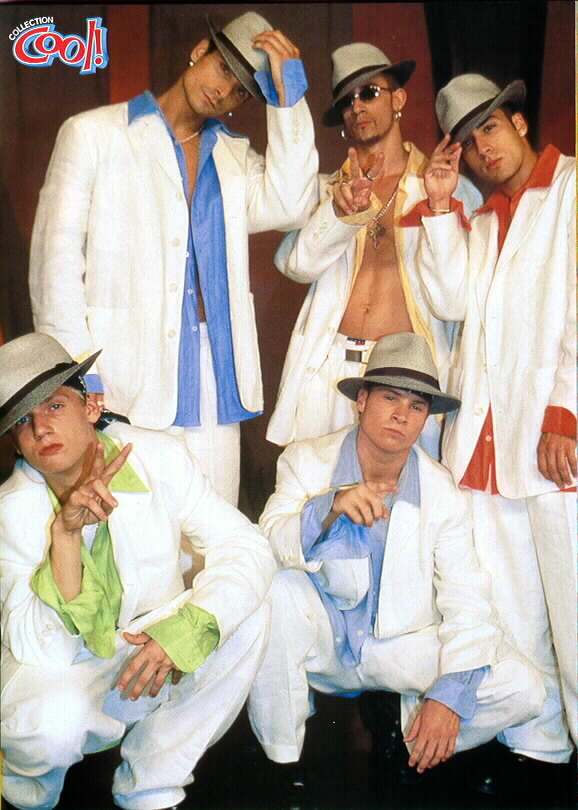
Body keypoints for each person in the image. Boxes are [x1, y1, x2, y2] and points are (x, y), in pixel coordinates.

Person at [29, 11, 318, 510]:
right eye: (223, 68)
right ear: (199, 51)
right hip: (123, 376)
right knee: (134, 533)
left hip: (215, 375)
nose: (224, 91)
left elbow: (293, 203)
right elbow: (54, 268)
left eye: (241, 90)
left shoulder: (233, 156)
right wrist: (77, 375)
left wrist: (289, 99)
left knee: (214, 531)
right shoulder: (93, 134)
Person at [248, 333, 544, 783]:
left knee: (524, 688)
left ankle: (401, 737)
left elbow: (467, 597)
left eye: (417, 406)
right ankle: (283, 764)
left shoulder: (442, 492)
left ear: (425, 418)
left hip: (398, 645)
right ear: (361, 400)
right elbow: (267, 543)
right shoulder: (305, 461)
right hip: (323, 640)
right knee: (276, 588)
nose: (402, 415)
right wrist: (329, 508)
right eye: (390, 397)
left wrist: (448, 697)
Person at [0, 332, 277, 810]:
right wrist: (65, 537)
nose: (41, 428)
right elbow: (39, 650)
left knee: (247, 611)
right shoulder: (10, 510)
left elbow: (245, 544)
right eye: (23, 421)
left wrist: (185, 630)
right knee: (50, 728)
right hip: (60, 670)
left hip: (146, 643)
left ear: (91, 407)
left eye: (55, 406)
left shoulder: (159, 456)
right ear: (18, 447)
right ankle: (29, 793)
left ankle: (152, 785)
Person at [400, 74, 576, 758]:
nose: (484, 150)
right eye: (470, 144)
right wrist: (442, 206)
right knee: (514, 612)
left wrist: (566, 410)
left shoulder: (571, 190)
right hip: (487, 448)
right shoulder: (487, 219)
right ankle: (541, 749)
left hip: (554, 439)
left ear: (520, 123)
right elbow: (449, 303)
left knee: (572, 609)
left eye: (492, 130)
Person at [267, 43, 481, 456]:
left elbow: (456, 302)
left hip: (408, 378)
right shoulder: (324, 189)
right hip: (330, 369)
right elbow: (296, 267)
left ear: (399, 99)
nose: (357, 107)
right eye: (347, 100)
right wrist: (340, 213)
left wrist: (439, 205)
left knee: (403, 494)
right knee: (319, 486)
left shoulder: (449, 188)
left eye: (369, 92)